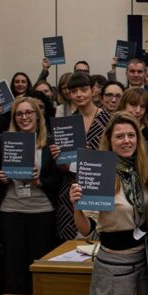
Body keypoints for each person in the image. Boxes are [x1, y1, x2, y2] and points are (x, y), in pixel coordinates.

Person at [69, 111, 148, 295]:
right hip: (115, 267)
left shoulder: (136, 170)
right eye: (120, 136)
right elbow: (87, 229)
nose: (126, 141)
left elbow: (145, 212)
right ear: (110, 141)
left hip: (143, 261)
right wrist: (76, 206)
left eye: (131, 135)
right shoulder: (101, 173)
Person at [0, 97, 62, 295]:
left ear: (38, 116)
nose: (24, 117)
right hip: (11, 209)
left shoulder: (50, 142)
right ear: (14, 118)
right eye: (19, 114)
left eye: (29, 112)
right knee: (13, 266)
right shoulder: (3, 140)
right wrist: (2, 178)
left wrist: (39, 182)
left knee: (39, 264)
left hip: (41, 210)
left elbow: (58, 179)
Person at [55, 73, 113, 242]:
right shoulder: (67, 123)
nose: (79, 94)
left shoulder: (109, 119)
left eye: (83, 89)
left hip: (102, 188)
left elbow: (116, 157)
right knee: (73, 243)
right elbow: (63, 167)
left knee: (103, 238)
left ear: (93, 90)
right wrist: (59, 157)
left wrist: (91, 156)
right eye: (74, 91)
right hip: (72, 188)